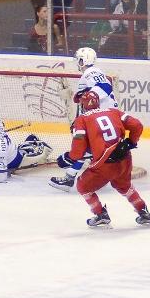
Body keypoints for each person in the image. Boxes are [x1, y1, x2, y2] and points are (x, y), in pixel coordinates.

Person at [56, 90, 150, 227]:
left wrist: (68, 157)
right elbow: (137, 125)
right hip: (125, 158)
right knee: (124, 186)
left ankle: (100, 214)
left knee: (83, 186)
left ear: (82, 106)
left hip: (105, 164)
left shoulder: (82, 119)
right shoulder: (113, 111)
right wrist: (131, 141)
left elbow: (79, 148)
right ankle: (144, 212)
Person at [49, 47, 118, 191]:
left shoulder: (91, 72)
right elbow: (88, 100)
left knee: (85, 148)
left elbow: (105, 87)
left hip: (102, 118)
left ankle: (74, 177)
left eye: (79, 60)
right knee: (87, 148)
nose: (77, 63)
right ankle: (75, 177)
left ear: (82, 60)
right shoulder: (92, 73)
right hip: (105, 118)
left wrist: (90, 95)